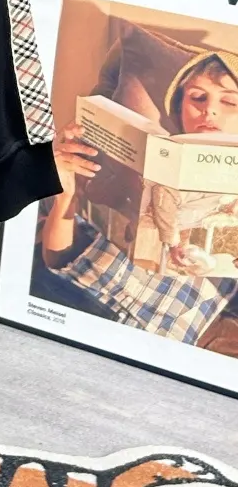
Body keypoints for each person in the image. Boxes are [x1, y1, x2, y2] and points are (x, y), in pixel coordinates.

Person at [39, 50, 238, 344]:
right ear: (179, 107)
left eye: (230, 101)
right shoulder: (144, 158)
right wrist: (65, 196)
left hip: (200, 324)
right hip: (112, 303)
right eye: (197, 97)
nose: (209, 110)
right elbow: (58, 257)